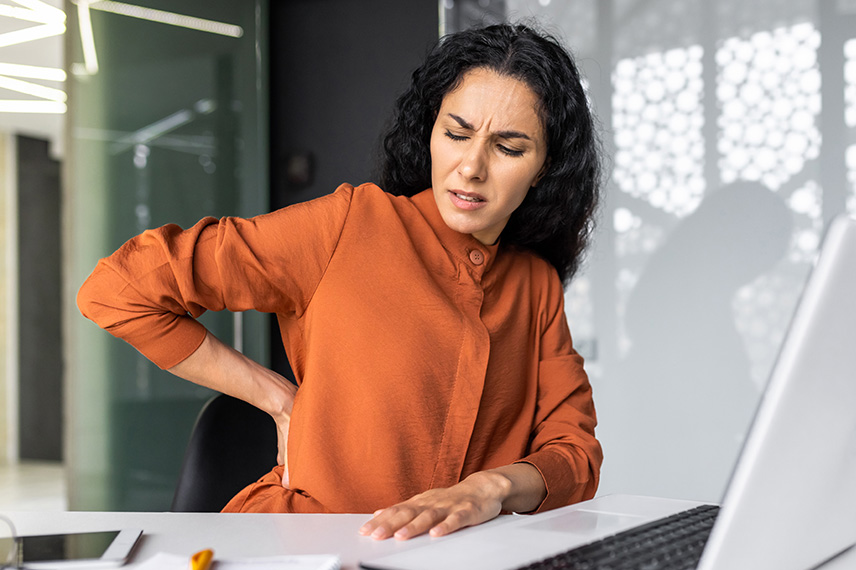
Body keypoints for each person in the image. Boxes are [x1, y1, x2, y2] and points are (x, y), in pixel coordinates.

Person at [77, 23, 603, 541]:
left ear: (544, 168)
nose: (471, 166)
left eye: (509, 148)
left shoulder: (536, 285)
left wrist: (490, 488)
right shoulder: (349, 225)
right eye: (456, 133)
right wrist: (275, 397)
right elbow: (119, 290)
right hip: (303, 550)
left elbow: (575, 455)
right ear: (430, 130)